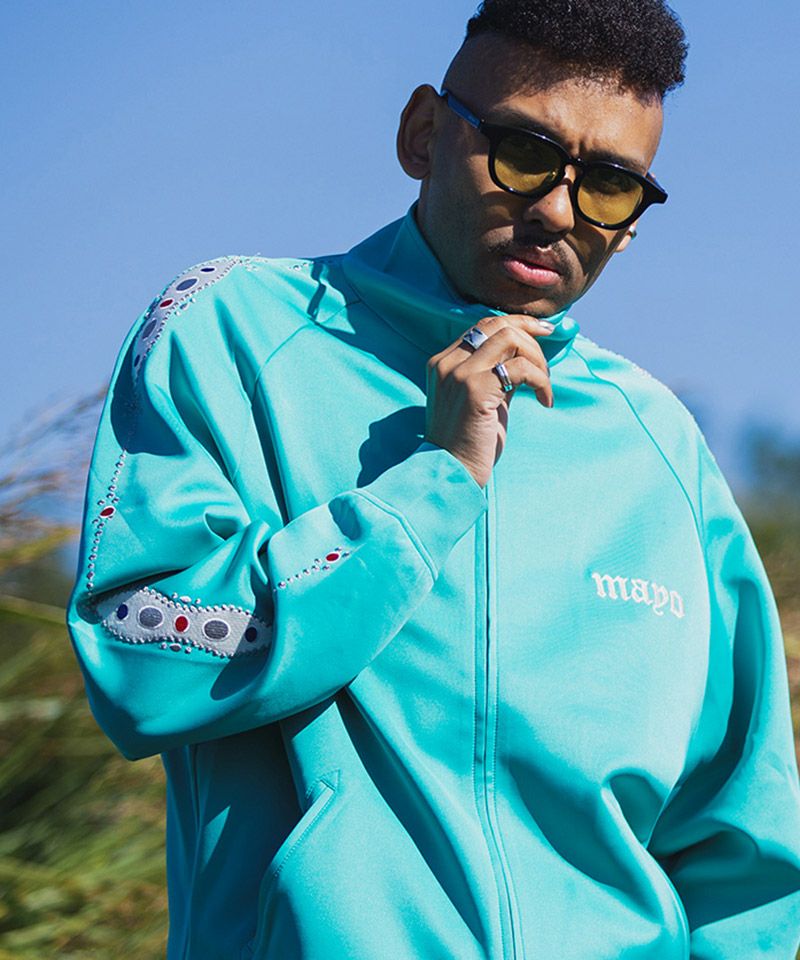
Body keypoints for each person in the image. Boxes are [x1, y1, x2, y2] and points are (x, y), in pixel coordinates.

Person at [67, 0, 800, 957]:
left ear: (631, 224)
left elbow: (741, 857)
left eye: (609, 185)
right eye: (523, 153)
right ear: (421, 134)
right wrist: (434, 487)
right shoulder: (232, 330)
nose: (556, 211)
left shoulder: (659, 442)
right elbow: (141, 660)